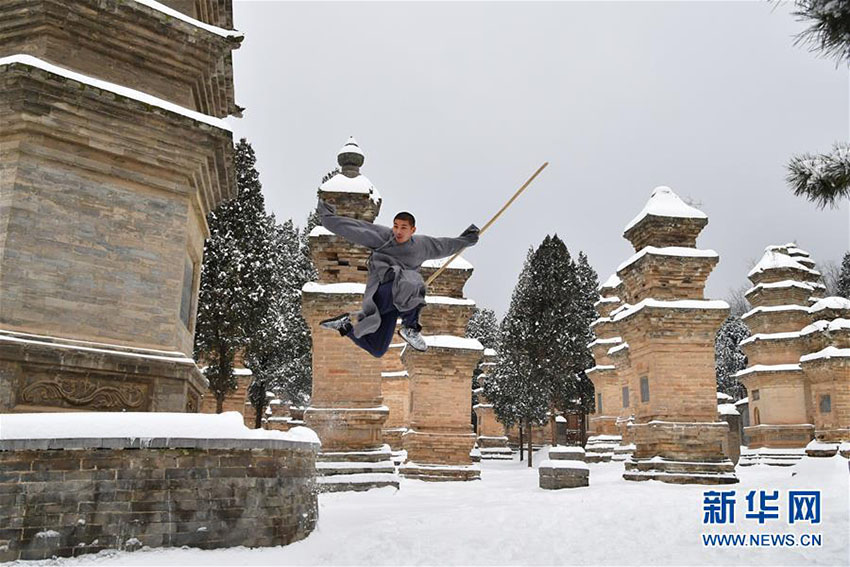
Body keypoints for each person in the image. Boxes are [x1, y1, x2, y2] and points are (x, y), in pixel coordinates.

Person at [316, 199, 479, 356]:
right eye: (395, 226)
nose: (398, 232)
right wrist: (327, 218)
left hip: (396, 302)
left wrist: (466, 239)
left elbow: (444, 246)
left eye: (403, 227)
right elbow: (355, 229)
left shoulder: (422, 246)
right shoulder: (383, 237)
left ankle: (344, 326)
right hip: (382, 291)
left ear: (413, 230)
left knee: (377, 349)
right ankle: (410, 328)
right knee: (412, 280)